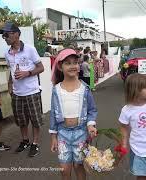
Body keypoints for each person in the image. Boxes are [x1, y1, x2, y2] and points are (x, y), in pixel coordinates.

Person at [50, 48, 98, 180]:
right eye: (68, 63)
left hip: (81, 133)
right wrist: (53, 137)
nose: (73, 66)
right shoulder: (56, 90)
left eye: (75, 62)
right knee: (64, 169)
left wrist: (90, 125)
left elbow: (92, 110)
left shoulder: (85, 89)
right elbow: (53, 113)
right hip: (62, 134)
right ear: (60, 66)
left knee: (79, 166)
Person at [0, 22, 44, 157]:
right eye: (3, 36)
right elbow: (11, 70)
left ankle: (35, 143)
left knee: (35, 120)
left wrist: (27, 73)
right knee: (21, 120)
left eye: (7, 34)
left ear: (16, 34)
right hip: (17, 94)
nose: (5, 38)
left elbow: (41, 68)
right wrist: (10, 85)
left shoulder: (30, 49)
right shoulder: (7, 53)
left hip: (32, 92)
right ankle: (25, 141)